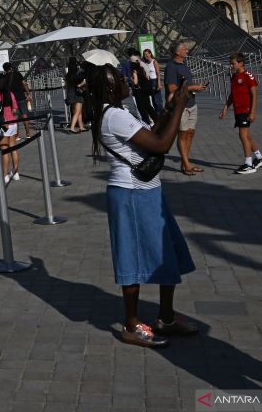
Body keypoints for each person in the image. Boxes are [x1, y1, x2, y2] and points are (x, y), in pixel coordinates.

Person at [86, 56, 201, 347]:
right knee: (133, 256)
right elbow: (162, 144)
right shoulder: (115, 116)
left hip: (146, 188)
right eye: (122, 80)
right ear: (111, 88)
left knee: (167, 251)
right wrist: (180, 106)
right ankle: (131, 323)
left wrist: (170, 107)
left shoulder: (118, 110)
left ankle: (166, 317)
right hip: (132, 192)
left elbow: (152, 133)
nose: (128, 80)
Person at [220, 53, 262, 175]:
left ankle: (249, 164)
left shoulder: (248, 76)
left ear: (241, 63)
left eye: (233, 63)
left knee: (243, 135)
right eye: (230, 63)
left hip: (246, 110)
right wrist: (225, 107)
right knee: (247, 135)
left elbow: (254, 94)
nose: (231, 66)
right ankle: (260, 157)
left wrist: (253, 112)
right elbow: (232, 94)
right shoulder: (234, 76)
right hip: (238, 110)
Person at [164, 42, 205, 175]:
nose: (187, 50)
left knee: (190, 133)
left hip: (191, 102)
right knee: (182, 134)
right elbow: (171, 88)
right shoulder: (171, 67)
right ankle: (187, 165)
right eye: (184, 49)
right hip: (180, 106)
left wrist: (196, 88)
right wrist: (193, 88)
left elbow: (185, 84)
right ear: (177, 52)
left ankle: (185, 162)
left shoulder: (184, 64)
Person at [0, 73, 20, 182]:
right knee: (13, 148)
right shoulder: (10, 94)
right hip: (13, 123)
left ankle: (5, 175)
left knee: (4, 150)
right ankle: (15, 172)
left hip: (3, 125)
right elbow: (15, 110)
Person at [141, 49, 164, 117]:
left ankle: (161, 115)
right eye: (144, 55)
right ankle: (157, 115)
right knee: (153, 100)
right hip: (149, 82)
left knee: (158, 100)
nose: (145, 56)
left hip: (155, 81)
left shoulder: (154, 62)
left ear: (150, 54)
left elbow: (158, 73)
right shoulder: (146, 63)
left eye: (146, 54)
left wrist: (159, 83)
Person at [66, 57, 86, 133]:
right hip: (77, 93)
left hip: (70, 93)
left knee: (79, 111)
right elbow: (79, 84)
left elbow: (67, 85)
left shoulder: (68, 74)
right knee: (77, 111)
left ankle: (81, 127)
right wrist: (82, 83)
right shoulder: (78, 73)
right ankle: (72, 127)